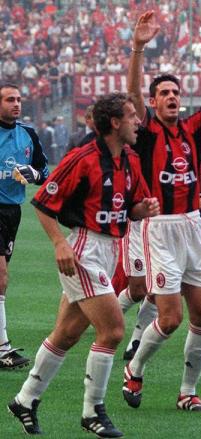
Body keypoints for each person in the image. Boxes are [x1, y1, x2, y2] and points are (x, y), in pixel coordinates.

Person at [7, 92, 159, 437]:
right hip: (84, 250)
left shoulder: (131, 159)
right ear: (115, 123)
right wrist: (60, 243)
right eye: (131, 116)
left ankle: (25, 400)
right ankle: (93, 411)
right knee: (113, 331)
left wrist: (143, 209)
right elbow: (43, 203)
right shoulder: (83, 157)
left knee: (67, 333)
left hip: (110, 248)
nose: (138, 121)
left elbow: (131, 208)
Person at [120, 11, 201, 412]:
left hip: (193, 226)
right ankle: (135, 367)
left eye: (175, 92)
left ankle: (188, 392)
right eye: (164, 93)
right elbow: (132, 93)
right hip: (160, 229)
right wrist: (138, 47)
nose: (172, 97)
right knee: (169, 319)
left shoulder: (192, 129)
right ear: (153, 103)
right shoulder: (147, 132)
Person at [0, 83, 50, 370]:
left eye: (19, 99)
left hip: (12, 212)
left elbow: (44, 172)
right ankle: (2, 348)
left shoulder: (28, 134)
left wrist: (34, 174)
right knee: (1, 277)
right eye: (10, 99)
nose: (16, 104)